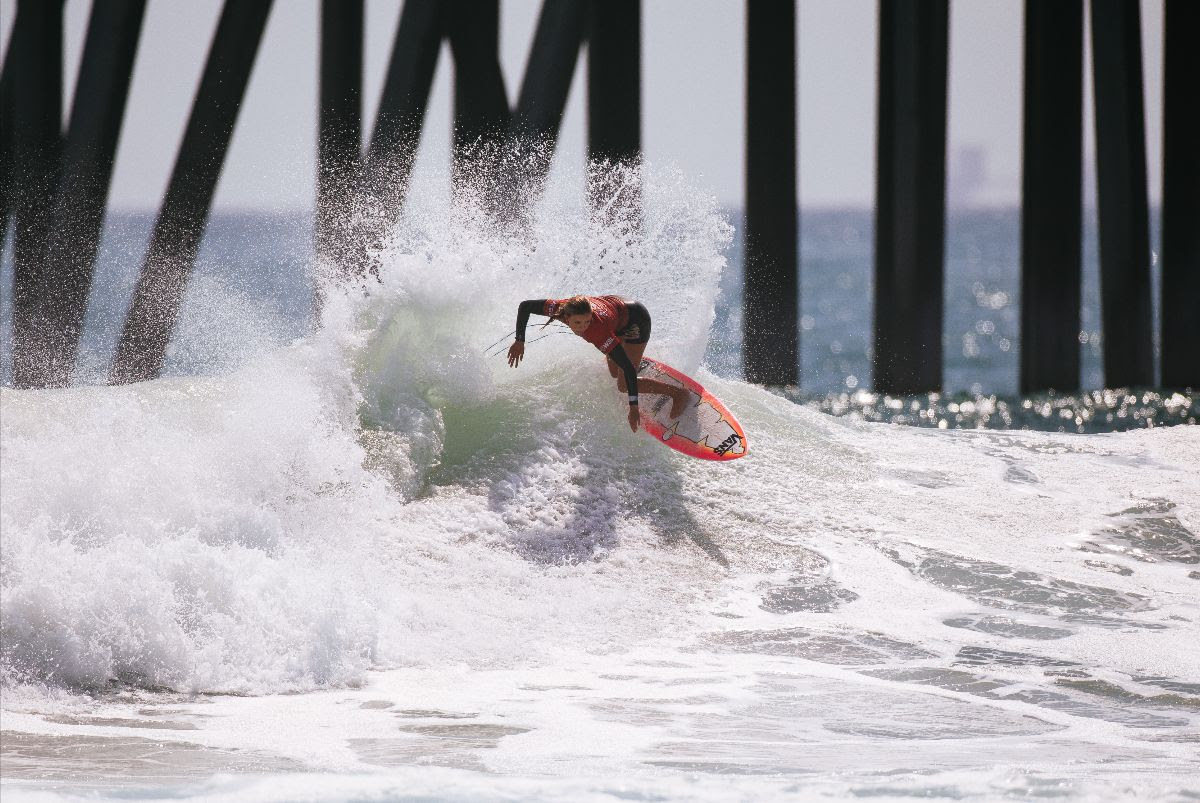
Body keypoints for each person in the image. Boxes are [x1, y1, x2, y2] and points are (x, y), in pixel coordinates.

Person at [507, 295, 690, 432]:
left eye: (587, 321)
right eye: (577, 322)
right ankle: (629, 354)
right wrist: (519, 340)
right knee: (612, 371)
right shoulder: (559, 308)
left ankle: (678, 393)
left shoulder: (597, 331)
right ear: (566, 317)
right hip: (618, 315)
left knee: (623, 383)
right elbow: (525, 306)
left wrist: (633, 407)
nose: (582, 327)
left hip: (635, 321)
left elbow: (626, 368)